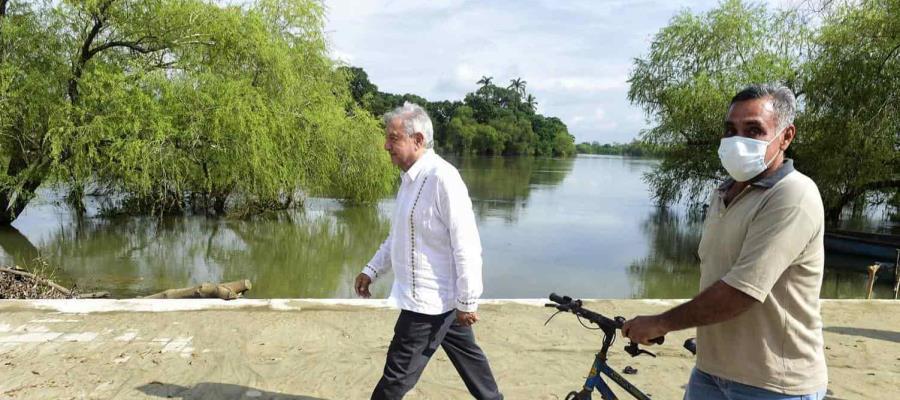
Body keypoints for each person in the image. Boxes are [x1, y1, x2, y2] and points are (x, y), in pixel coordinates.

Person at [622, 84, 828, 400]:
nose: (737, 140)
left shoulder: (793, 195)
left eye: (753, 130)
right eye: (730, 130)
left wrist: (660, 323)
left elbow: (741, 291)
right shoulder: (722, 193)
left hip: (773, 384)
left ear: (786, 137)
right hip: (710, 372)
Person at [355, 102, 503, 400]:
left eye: (393, 138)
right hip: (440, 302)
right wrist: (371, 270)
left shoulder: (442, 178)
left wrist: (468, 299)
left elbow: (467, 244)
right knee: (472, 364)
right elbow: (399, 236)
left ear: (418, 140)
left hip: (427, 305)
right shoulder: (409, 180)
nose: (386, 145)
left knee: (394, 381)